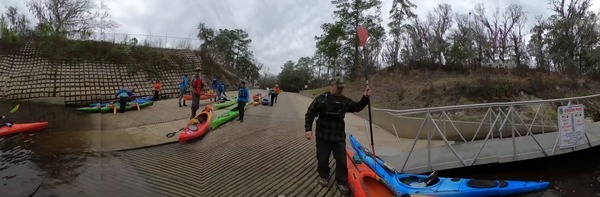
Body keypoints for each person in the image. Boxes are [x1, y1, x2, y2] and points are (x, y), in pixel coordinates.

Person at [304, 77, 371, 194]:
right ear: (332, 85)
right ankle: (324, 176)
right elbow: (310, 113)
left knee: (342, 161)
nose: (340, 90)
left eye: (342, 88)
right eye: (338, 87)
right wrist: (308, 129)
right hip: (323, 135)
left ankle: (341, 181)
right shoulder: (321, 99)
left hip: (338, 137)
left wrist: (365, 97)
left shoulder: (344, 101)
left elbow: (357, 107)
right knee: (322, 158)